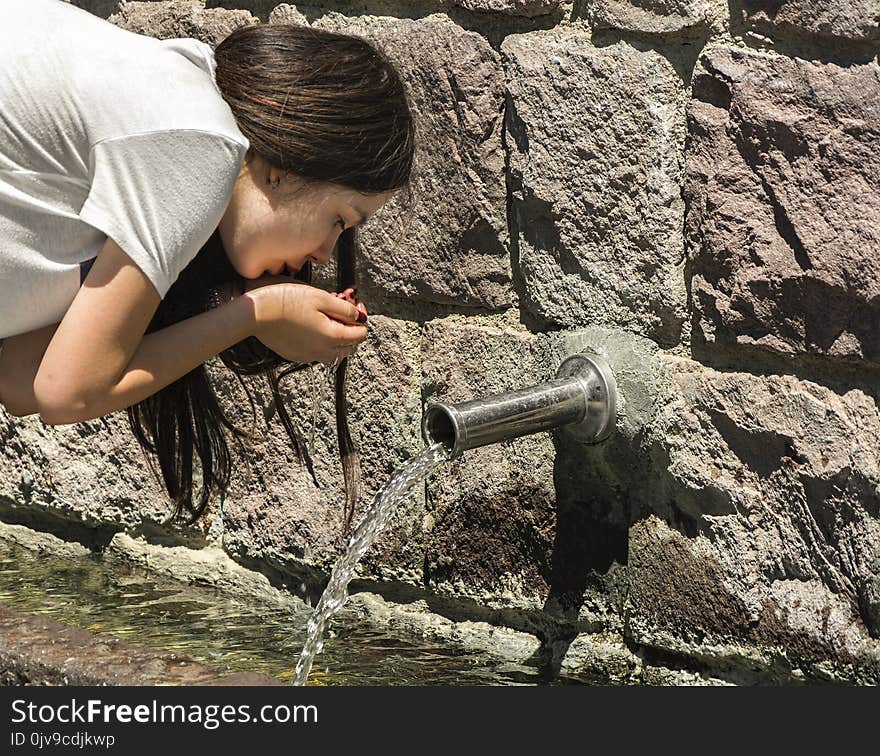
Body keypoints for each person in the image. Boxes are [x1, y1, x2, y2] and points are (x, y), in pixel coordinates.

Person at [0, 1, 416, 536]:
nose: (324, 256)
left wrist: (233, 307)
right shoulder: (198, 146)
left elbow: (20, 378)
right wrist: (254, 312)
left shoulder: (172, 109)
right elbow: (66, 393)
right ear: (279, 172)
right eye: (339, 219)